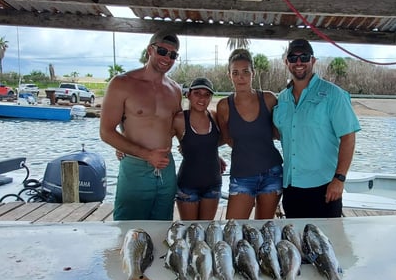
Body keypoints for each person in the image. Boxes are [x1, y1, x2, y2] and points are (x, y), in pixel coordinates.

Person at [272, 39, 361, 280]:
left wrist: (340, 179)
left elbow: (348, 136)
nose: (299, 62)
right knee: (298, 244)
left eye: (304, 57)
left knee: (328, 246)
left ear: (313, 60)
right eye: (293, 57)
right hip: (292, 184)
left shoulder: (333, 95)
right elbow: (279, 134)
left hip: (325, 186)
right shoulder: (282, 99)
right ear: (286, 62)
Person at [100, 30, 182, 221]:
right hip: (135, 168)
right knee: (128, 231)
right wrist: (145, 154)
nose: (167, 58)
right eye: (162, 51)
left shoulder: (175, 89)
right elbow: (106, 132)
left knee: (163, 230)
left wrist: (209, 156)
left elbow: (176, 129)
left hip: (166, 168)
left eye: (173, 55)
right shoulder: (121, 83)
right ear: (150, 50)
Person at [216, 49, 283, 220]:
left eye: (246, 72)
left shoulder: (269, 99)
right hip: (242, 175)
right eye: (235, 73)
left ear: (253, 73)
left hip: (272, 173)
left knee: (264, 228)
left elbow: (279, 133)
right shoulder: (224, 106)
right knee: (234, 226)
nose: (241, 77)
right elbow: (227, 139)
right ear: (229, 75)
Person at [173, 77, 225, 220]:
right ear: (188, 95)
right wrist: (124, 146)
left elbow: (223, 139)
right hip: (187, 186)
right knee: (191, 231)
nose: (202, 98)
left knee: (207, 230)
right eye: (197, 93)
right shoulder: (179, 119)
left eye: (206, 94)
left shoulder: (214, 116)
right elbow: (159, 140)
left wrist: (210, 153)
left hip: (213, 184)